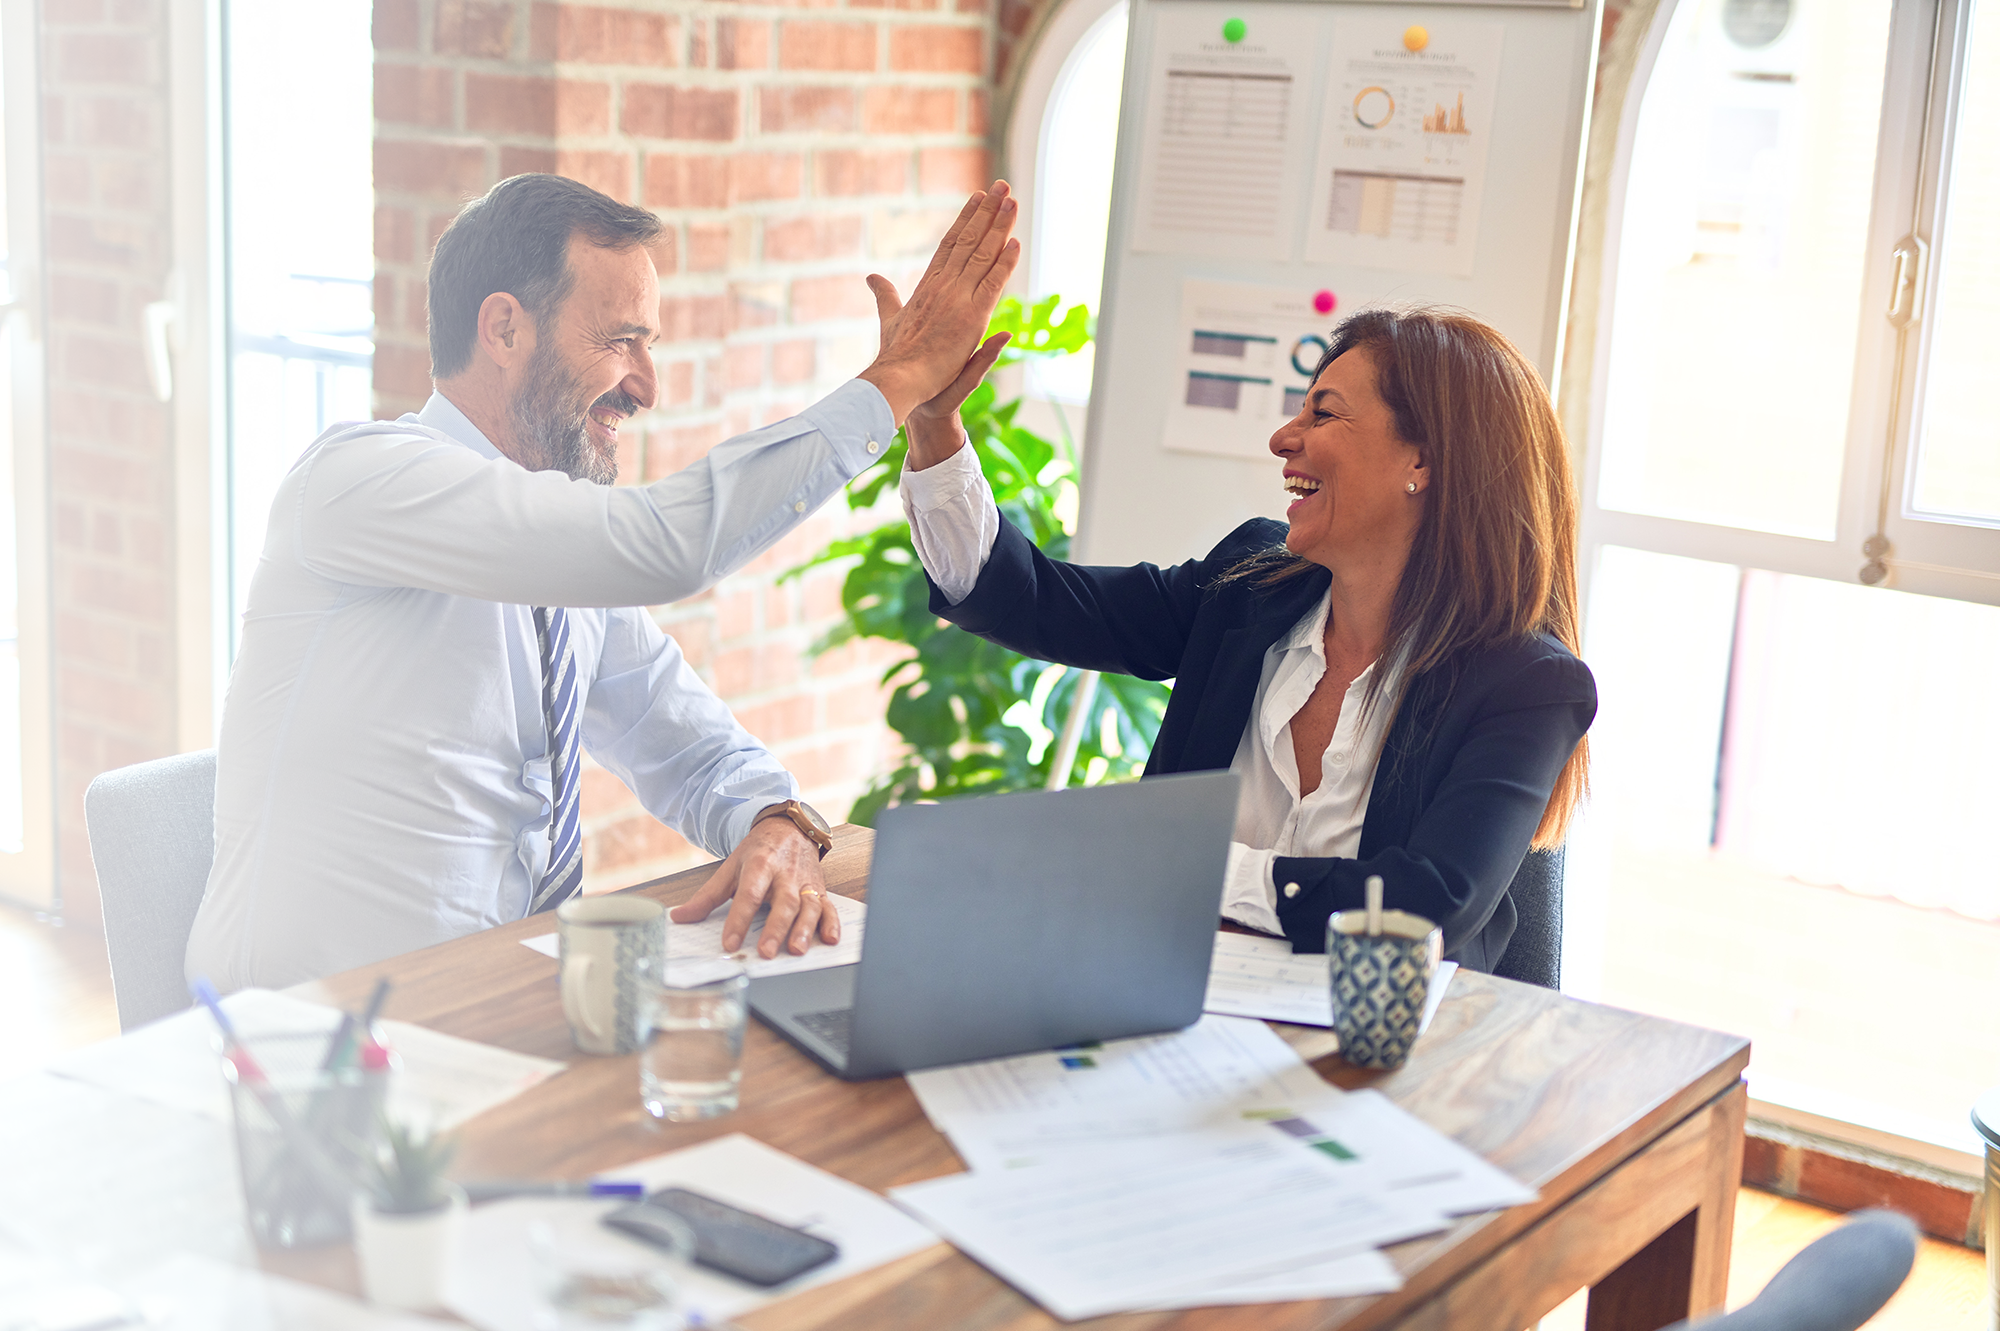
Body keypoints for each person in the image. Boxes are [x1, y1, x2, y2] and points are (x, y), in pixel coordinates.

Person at [186, 173, 1019, 991]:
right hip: (310, 1046)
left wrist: (778, 820)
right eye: (622, 339)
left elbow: (685, 741)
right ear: (505, 330)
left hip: (497, 1009)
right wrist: (897, 380)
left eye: (648, 345)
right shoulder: (360, 480)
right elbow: (667, 545)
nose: (647, 386)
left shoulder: (559, 557)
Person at [898, 307, 1595, 970]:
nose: (1283, 438)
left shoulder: (1527, 684)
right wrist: (935, 426)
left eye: (1322, 412)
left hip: (1385, 1058)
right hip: (1171, 1004)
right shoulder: (1248, 586)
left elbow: (1423, 907)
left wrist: (1189, 865)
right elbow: (1034, 600)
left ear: (1423, 461)